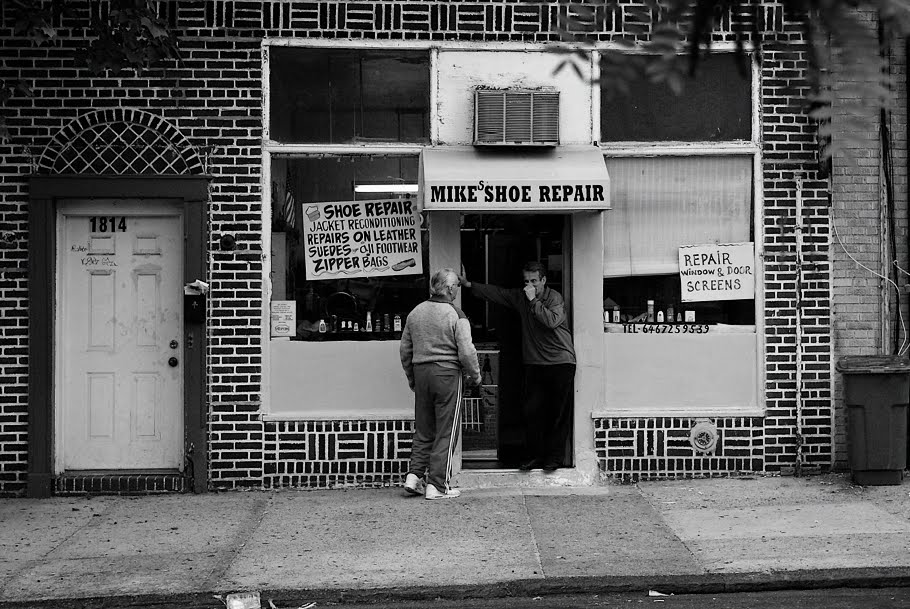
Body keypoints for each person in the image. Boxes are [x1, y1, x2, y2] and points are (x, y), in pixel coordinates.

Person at [458, 261, 575, 472]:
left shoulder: (554, 298)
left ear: (543, 280)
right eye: (526, 281)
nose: (529, 285)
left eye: (534, 281)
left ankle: (554, 458)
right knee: (532, 412)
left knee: (557, 413)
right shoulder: (521, 297)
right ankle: (534, 457)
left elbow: (551, 321)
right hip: (534, 363)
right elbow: (498, 294)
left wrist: (533, 301)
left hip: (560, 362)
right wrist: (469, 285)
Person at [400, 268, 481, 500]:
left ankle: (414, 476)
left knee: (424, 428)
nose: (457, 290)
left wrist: (412, 378)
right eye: (456, 286)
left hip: (421, 373)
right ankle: (437, 485)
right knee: (447, 430)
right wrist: (476, 375)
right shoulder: (456, 314)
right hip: (447, 374)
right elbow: (466, 351)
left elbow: (405, 350)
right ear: (450, 288)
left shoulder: (415, 313)